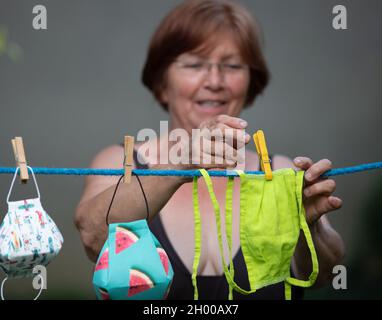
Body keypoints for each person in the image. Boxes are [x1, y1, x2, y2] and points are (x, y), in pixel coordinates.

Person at [75, 0, 345, 300]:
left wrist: (308, 230)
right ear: (162, 83)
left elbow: (322, 275)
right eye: (194, 65)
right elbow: (93, 235)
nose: (215, 81)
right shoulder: (122, 162)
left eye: (231, 66)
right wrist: (179, 166)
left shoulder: (280, 171)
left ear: (250, 82)